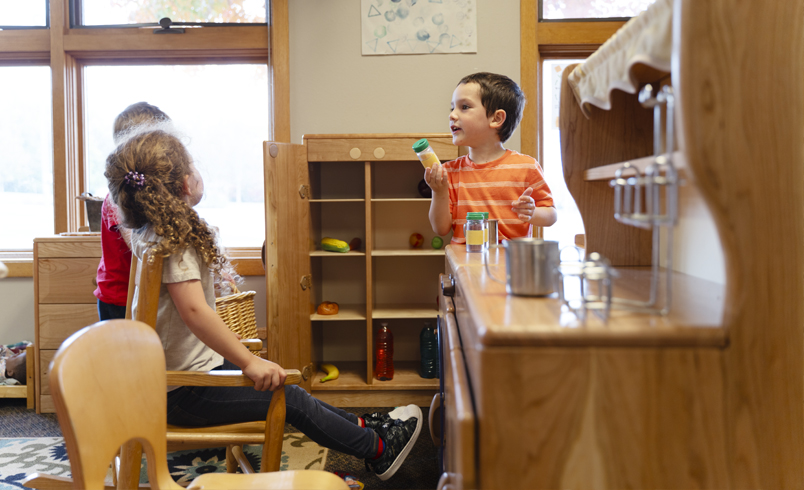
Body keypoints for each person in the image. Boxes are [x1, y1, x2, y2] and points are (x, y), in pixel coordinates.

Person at [104, 129, 421, 481]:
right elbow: (194, 312)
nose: (197, 171)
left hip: (180, 378)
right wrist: (250, 362)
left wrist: (246, 359)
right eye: (192, 165)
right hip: (182, 391)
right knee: (291, 400)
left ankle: (365, 426)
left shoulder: (153, 232)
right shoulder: (172, 241)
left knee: (290, 388)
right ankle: (378, 449)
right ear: (180, 185)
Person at [425, 72, 557, 243]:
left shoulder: (526, 167)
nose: (452, 115)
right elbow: (440, 228)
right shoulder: (448, 172)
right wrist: (439, 191)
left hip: (509, 265)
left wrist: (533, 212)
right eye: (452, 108)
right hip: (465, 264)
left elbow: (551, 215)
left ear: (496, 118)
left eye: (464, 107)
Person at [94, 102, 171, 321]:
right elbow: (140, 248)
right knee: (125, 355)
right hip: (120, 297)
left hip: (141, 291)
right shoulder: (120, 197)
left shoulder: (151, 193)